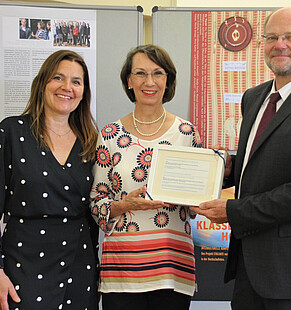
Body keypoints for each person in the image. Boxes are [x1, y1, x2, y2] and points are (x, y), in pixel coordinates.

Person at [191, 7, 291, 310]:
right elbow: (260, 163)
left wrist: (234, 211)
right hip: (250, 272)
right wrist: (226, 169)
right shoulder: (254, 98)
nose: (280, 44)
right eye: (272, 37)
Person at [0, 50, 99, 310]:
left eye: (76, 81)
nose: (67, 87)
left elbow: (94, 210)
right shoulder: (10, 132)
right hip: (23, 264)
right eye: (58, 78)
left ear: (83, 91)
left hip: (79, 264)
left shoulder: (90, 141)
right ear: (43, 83)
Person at [90, 44, 202, 310]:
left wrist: (200, 201)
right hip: (123, 271)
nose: (149, 82)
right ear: (129, 81)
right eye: (140, 73)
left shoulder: (187, 134)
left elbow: (195, 205)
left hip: (172, 267)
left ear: (168, 80)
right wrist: (127, 204)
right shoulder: (109, 135)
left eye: (158, 73)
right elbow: (96, 203)